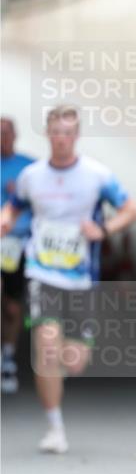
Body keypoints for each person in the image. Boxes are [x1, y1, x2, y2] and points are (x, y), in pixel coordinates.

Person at [0, 105, 136, 453]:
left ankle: (65, 365)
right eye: (56, 132)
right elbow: (14, 206)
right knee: (46, 347)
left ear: (76, 136)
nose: (61, 139)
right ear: (47, 134)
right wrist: (4, 219)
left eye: (68, 132)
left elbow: (131, 210)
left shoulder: (96, 175)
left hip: (80, 279)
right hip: (41, 271)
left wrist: (104, 229)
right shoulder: (33, 176)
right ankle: (55, 428)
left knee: (74, 361)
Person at [1, 116, 35, 393]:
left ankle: (8, 356)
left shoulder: (29, 169)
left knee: (13, 306)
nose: (4, 139)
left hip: (18, 244)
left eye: (7, 134)